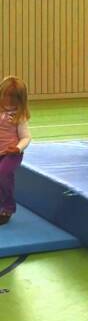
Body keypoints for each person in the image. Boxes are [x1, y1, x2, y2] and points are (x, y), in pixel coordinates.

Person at [0, 77, 31, 226]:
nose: (10, 100)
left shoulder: (19, 115)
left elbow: (26, 137)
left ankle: (8, 208)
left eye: (15, 97)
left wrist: (18, 148)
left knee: (4, 173)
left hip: (11, 154)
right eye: (7, 95)